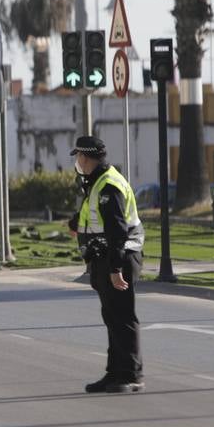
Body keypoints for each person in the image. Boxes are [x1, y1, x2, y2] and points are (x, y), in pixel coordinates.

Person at [68, 136, 145, 393]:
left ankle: (130, 375)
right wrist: (74, 224)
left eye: (78, 156)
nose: (77, 162)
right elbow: (92, 216)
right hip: (106, 258)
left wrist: (115, 269)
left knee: (122, 318)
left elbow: (117, 230)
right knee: (112, 317)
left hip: (119, 259)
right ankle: (114, 373)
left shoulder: (108, 185)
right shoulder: (98, 182)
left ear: (85, 158)